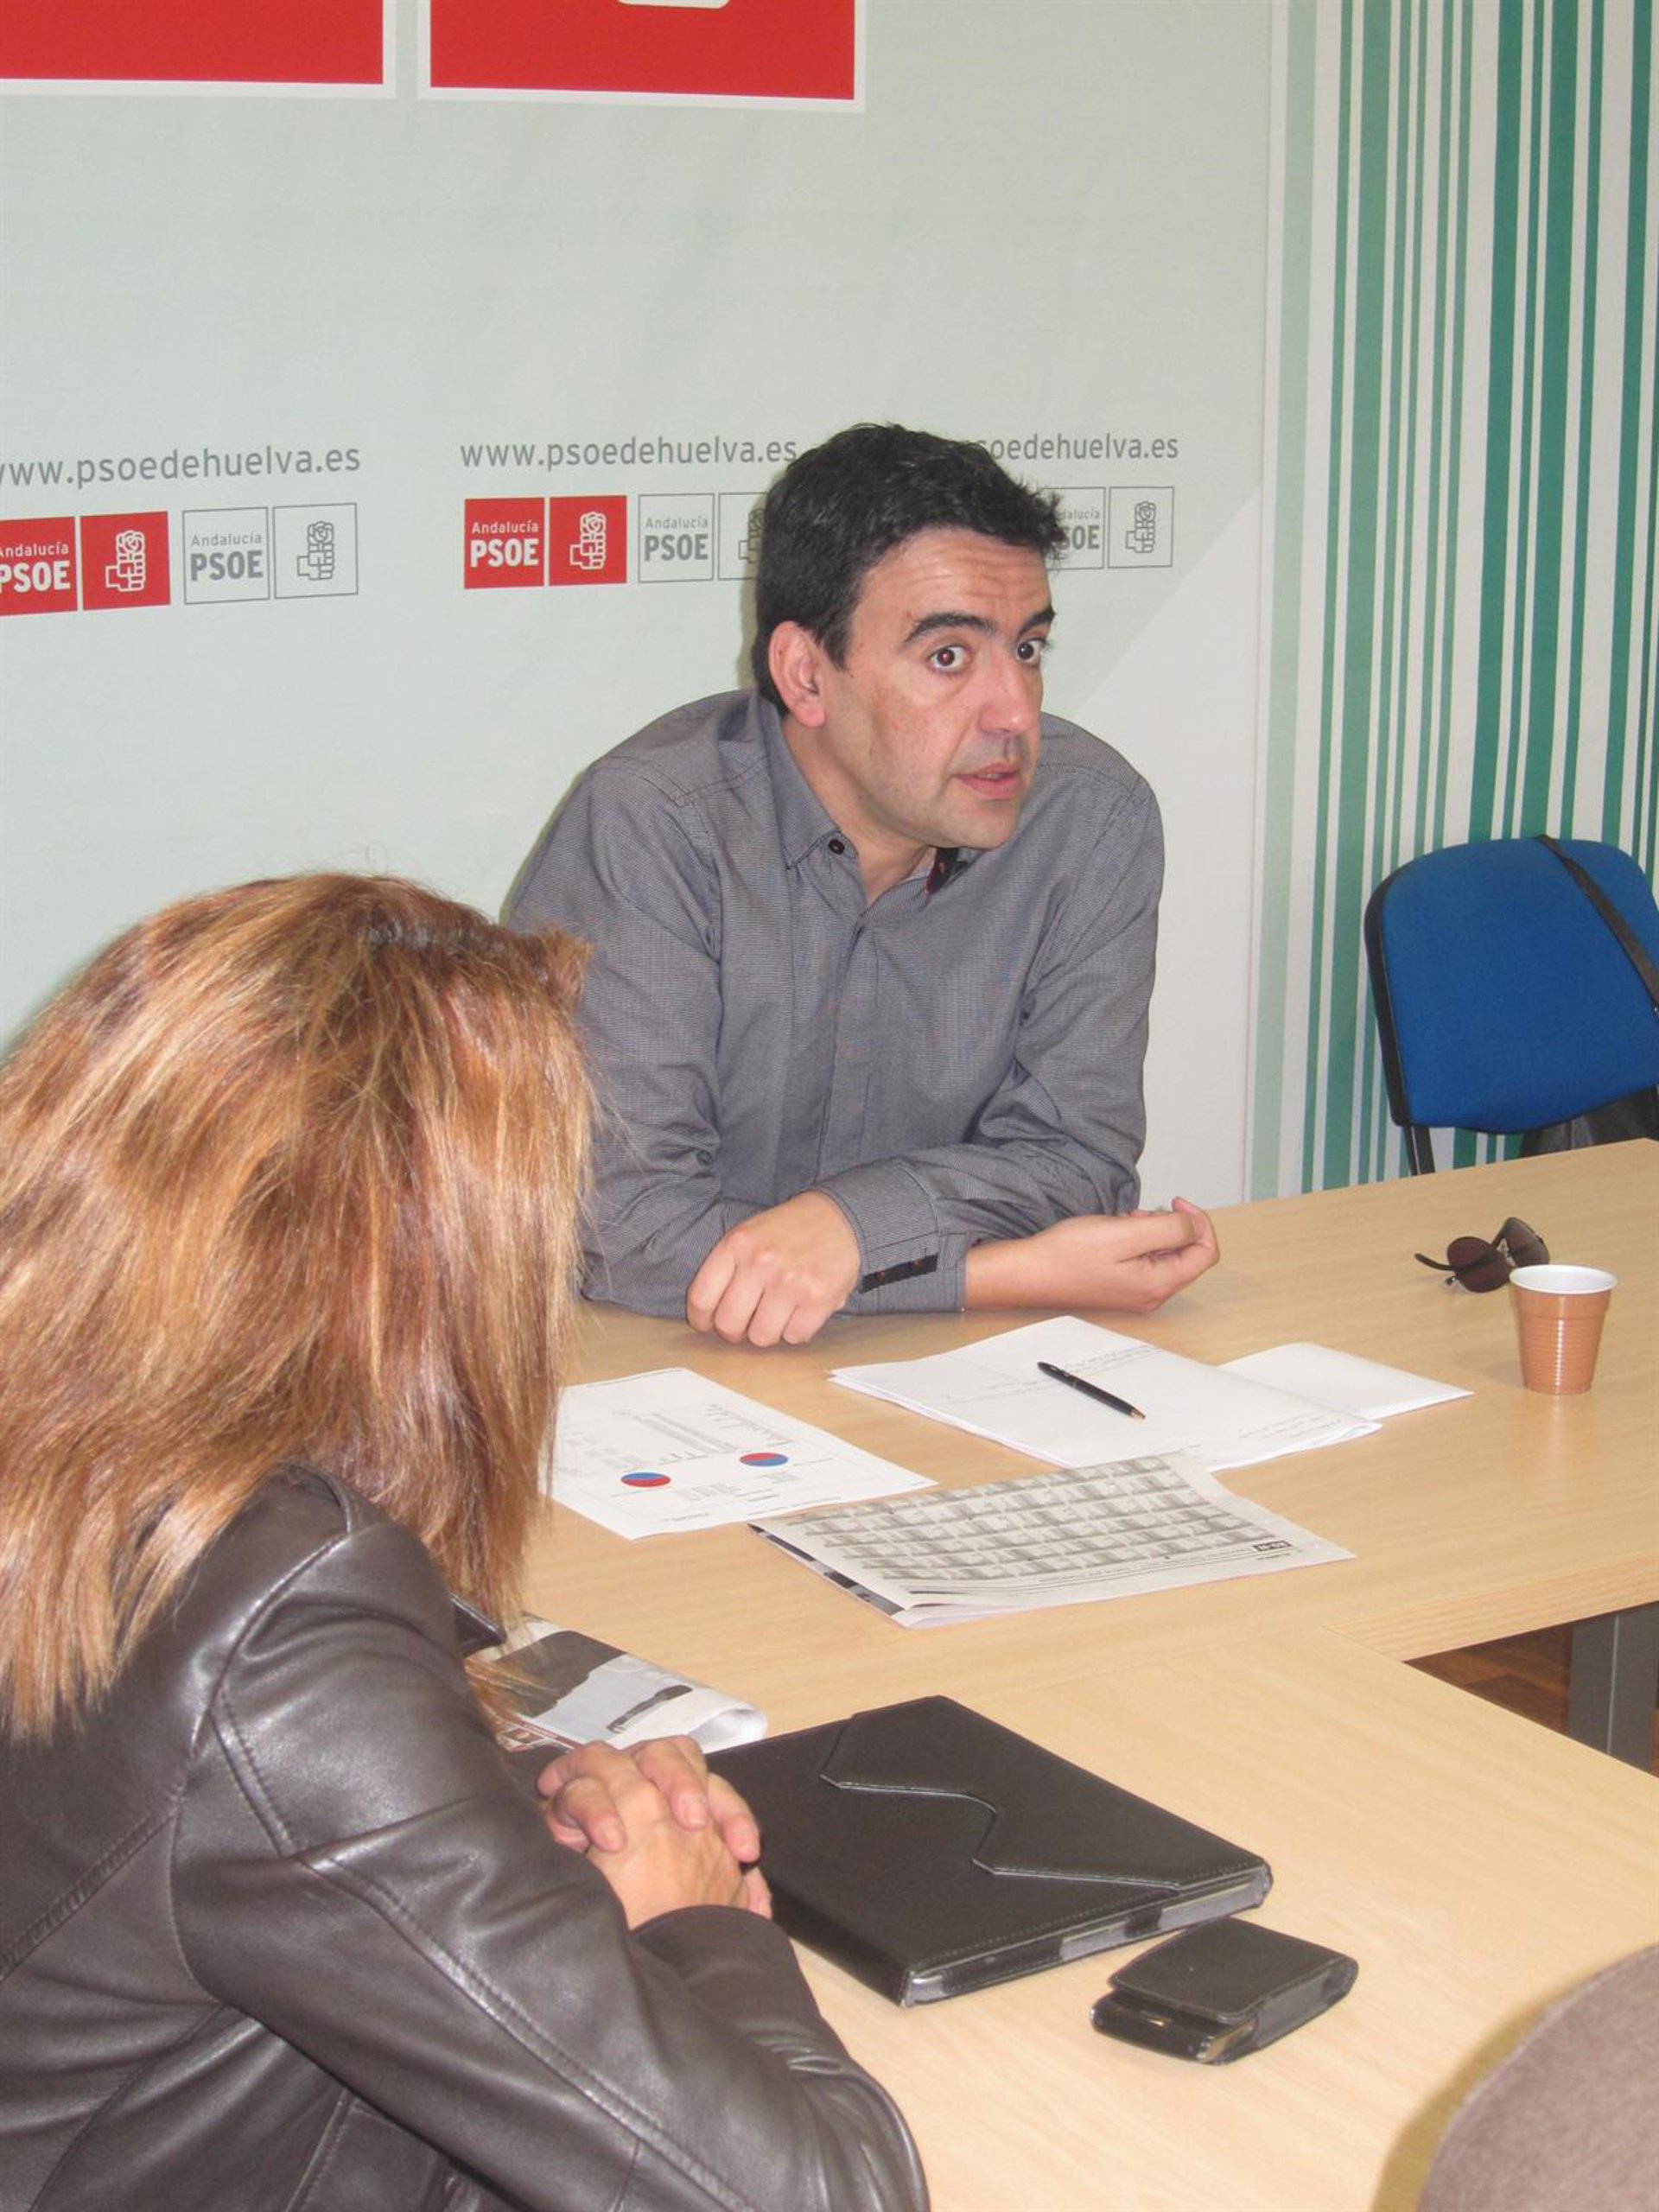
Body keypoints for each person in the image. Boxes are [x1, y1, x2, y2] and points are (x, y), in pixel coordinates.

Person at [0, 875, 926, 2212]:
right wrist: (698, 1923)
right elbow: (824, 2198)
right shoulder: (281, 1616)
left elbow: (178, 1808)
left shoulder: (82, 1462)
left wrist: (475, 1811)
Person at [506, 423, 1218, 1349]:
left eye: (1029, 650)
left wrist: (850, 1229)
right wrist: (983, 1274)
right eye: (948, 656)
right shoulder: (652, 826)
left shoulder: (1090, 820)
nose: (1014, 712)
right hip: (652, 1364)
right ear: (807, 675)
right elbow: (621, 1225)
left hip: (935, 1373)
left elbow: (1076, 1160)